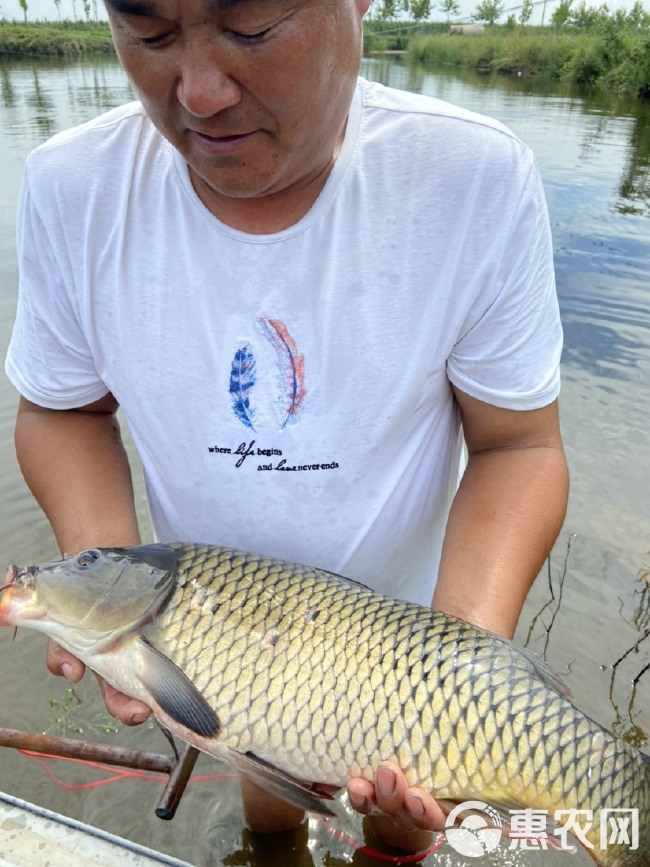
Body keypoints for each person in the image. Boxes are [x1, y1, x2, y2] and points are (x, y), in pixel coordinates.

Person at [5, 0, 569, 853]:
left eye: (252, 30)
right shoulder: (70, 184)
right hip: (208, 629)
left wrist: (465, 673)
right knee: (263, 797)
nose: (197, 93)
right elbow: (62, 407)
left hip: (415, 639)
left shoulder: (473, 176)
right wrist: (109, 584)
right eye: (149, 35)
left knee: (402, 826)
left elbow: (519, 443)